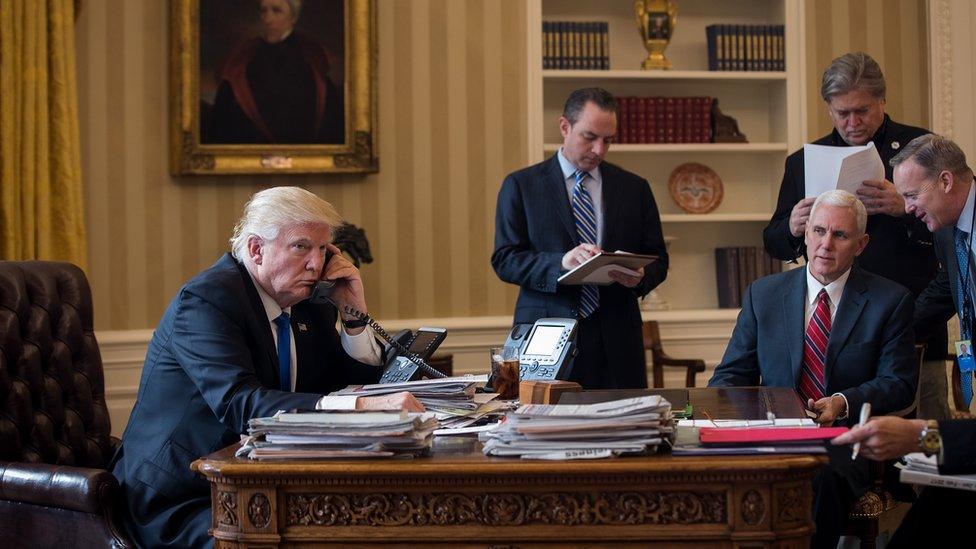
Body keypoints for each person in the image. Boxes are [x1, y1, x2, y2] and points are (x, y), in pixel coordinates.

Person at [110, 187, 422, 548]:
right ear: (256, 249)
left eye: (323, 249)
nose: (316, 264)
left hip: (263, 485)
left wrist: (354, 316)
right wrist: (358, 407)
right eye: (301, 247)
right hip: (181, 498)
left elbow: (347, 387)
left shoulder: (310, 307)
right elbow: (239, 404)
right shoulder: (208, 300)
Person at [710, 190, 918, 549]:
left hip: (843, 439)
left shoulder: (890, 300)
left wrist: (843, 401)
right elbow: (729, 376)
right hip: (770, 433)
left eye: (840, 235)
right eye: (819, 231)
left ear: (861, 244)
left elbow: (897, 382)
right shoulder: (764, 294)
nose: (825, 244)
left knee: (817, 476)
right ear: (805, 234)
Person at [762, 52, 948, 420]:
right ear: (829, 108)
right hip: (833, 334)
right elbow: (773, 241)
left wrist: (904, 208)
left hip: (913, 322)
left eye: (862, 110)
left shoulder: (923, 149)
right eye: (841, 113)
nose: (852, 122)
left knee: (923, 452)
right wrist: (792, 226)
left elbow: (951, 232)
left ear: (882, 100)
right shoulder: (802, 161)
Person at [491, 87, 669, 390]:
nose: (599, 150)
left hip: (618, 339)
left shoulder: (634, 188)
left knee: (625, 430)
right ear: (564, 127)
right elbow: (505, 259)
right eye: (590, 137)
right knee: (545, 431)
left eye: (608, 140)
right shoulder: (522, 185)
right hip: (546, 338)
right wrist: (561, 262)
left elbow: (658, 259)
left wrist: (639, 276)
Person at [206, 0, 344, 144]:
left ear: (293, 18)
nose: (267, 19)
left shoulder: (312, 60)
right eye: (263, 11)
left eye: (276, 11)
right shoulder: (242, 59)